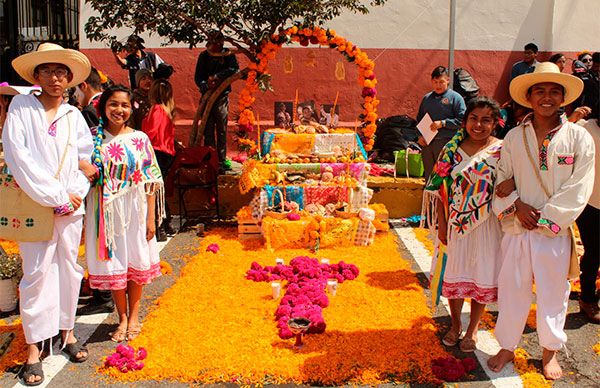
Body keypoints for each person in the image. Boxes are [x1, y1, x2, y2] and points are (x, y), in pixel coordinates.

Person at [489, 62, 595, 380]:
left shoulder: (578, 138)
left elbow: (580, 187)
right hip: (517, 227)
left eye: (553, 92)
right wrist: (516, 206)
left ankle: (550, 352)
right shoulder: (512, 137)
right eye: (540, 91)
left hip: (553, 232)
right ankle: (507, 345)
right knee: (512, 289)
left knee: (553, 292)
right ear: (529, 97)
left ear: (563, 98)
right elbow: (501, 180)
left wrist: (548, 220)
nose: (546, 97)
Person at [3, 43, 94, 385]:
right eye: (47, 71)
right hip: (36, 204)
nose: (54, 78)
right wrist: (54, 195)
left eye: (60, 72)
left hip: (69, 206)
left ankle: (67, 332)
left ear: (70, 78)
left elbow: (83, 161)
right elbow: (19, 158)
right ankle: (33, 349)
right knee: (36, 272)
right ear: (36, 76)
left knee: (69, 268)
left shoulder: (74, 115)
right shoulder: (22, 108)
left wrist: (72, 196)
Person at [424, 97, 505, 353]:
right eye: (473, 118)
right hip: (455, 224)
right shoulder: (452, 149)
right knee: (453, 276)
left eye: (486, 120)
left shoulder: (502, 150)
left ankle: (473, 329)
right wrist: (443, 225)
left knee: (482, 276)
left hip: (488, 226)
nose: (478, 125)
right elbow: (440, 191)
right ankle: (456, 323)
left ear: (495, 124)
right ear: (465, 121)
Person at [85, 85, 164, 343]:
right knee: (115, 264)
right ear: (103, 107)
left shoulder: (140, 139)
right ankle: (121, 317)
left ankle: (134, 317)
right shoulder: (91, 138)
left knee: (135, 261)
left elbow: (150, 180)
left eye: (125, 105)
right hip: (106, 213)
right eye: (114, 105)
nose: (119, 110)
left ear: (132, 109)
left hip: (135, 209)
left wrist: (150, 218)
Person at [194, 30, 239, 173]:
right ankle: (210, 158)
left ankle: (221, 158)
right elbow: (198, 77)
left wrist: (218, 77)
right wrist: (205, 85)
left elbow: (234, 69)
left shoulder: (228, 55)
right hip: (207, 96)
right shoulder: (204, 56)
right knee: (207, 130)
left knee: (221, 129)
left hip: (222, 97)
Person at [416, 66, 466, 180]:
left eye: (441, 82)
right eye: (435, 82)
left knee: (445, 176)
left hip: (447, 144)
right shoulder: (427, 98)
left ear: (448, 80)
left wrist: (443, 123)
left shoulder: (455, 98)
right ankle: (429, 197)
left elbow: (462, 120)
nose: (438, 85)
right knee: (429, 176)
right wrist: (419, 136)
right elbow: (419, 119)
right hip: (428, 145)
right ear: (431, 82)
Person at [142, 78, 176, 240]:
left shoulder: (156, 109)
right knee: (159, 189)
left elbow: (151, 132)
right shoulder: (167, 110)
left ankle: (160, 226)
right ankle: (166, 223)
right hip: (167, 153)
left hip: (155, 153)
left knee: (153, 190)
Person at [575, 106, 600, 323]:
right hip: (590, 202)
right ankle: (588, 298)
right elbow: (558, 139)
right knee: (594, 251)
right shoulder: (587, 128)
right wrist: (573, 117)